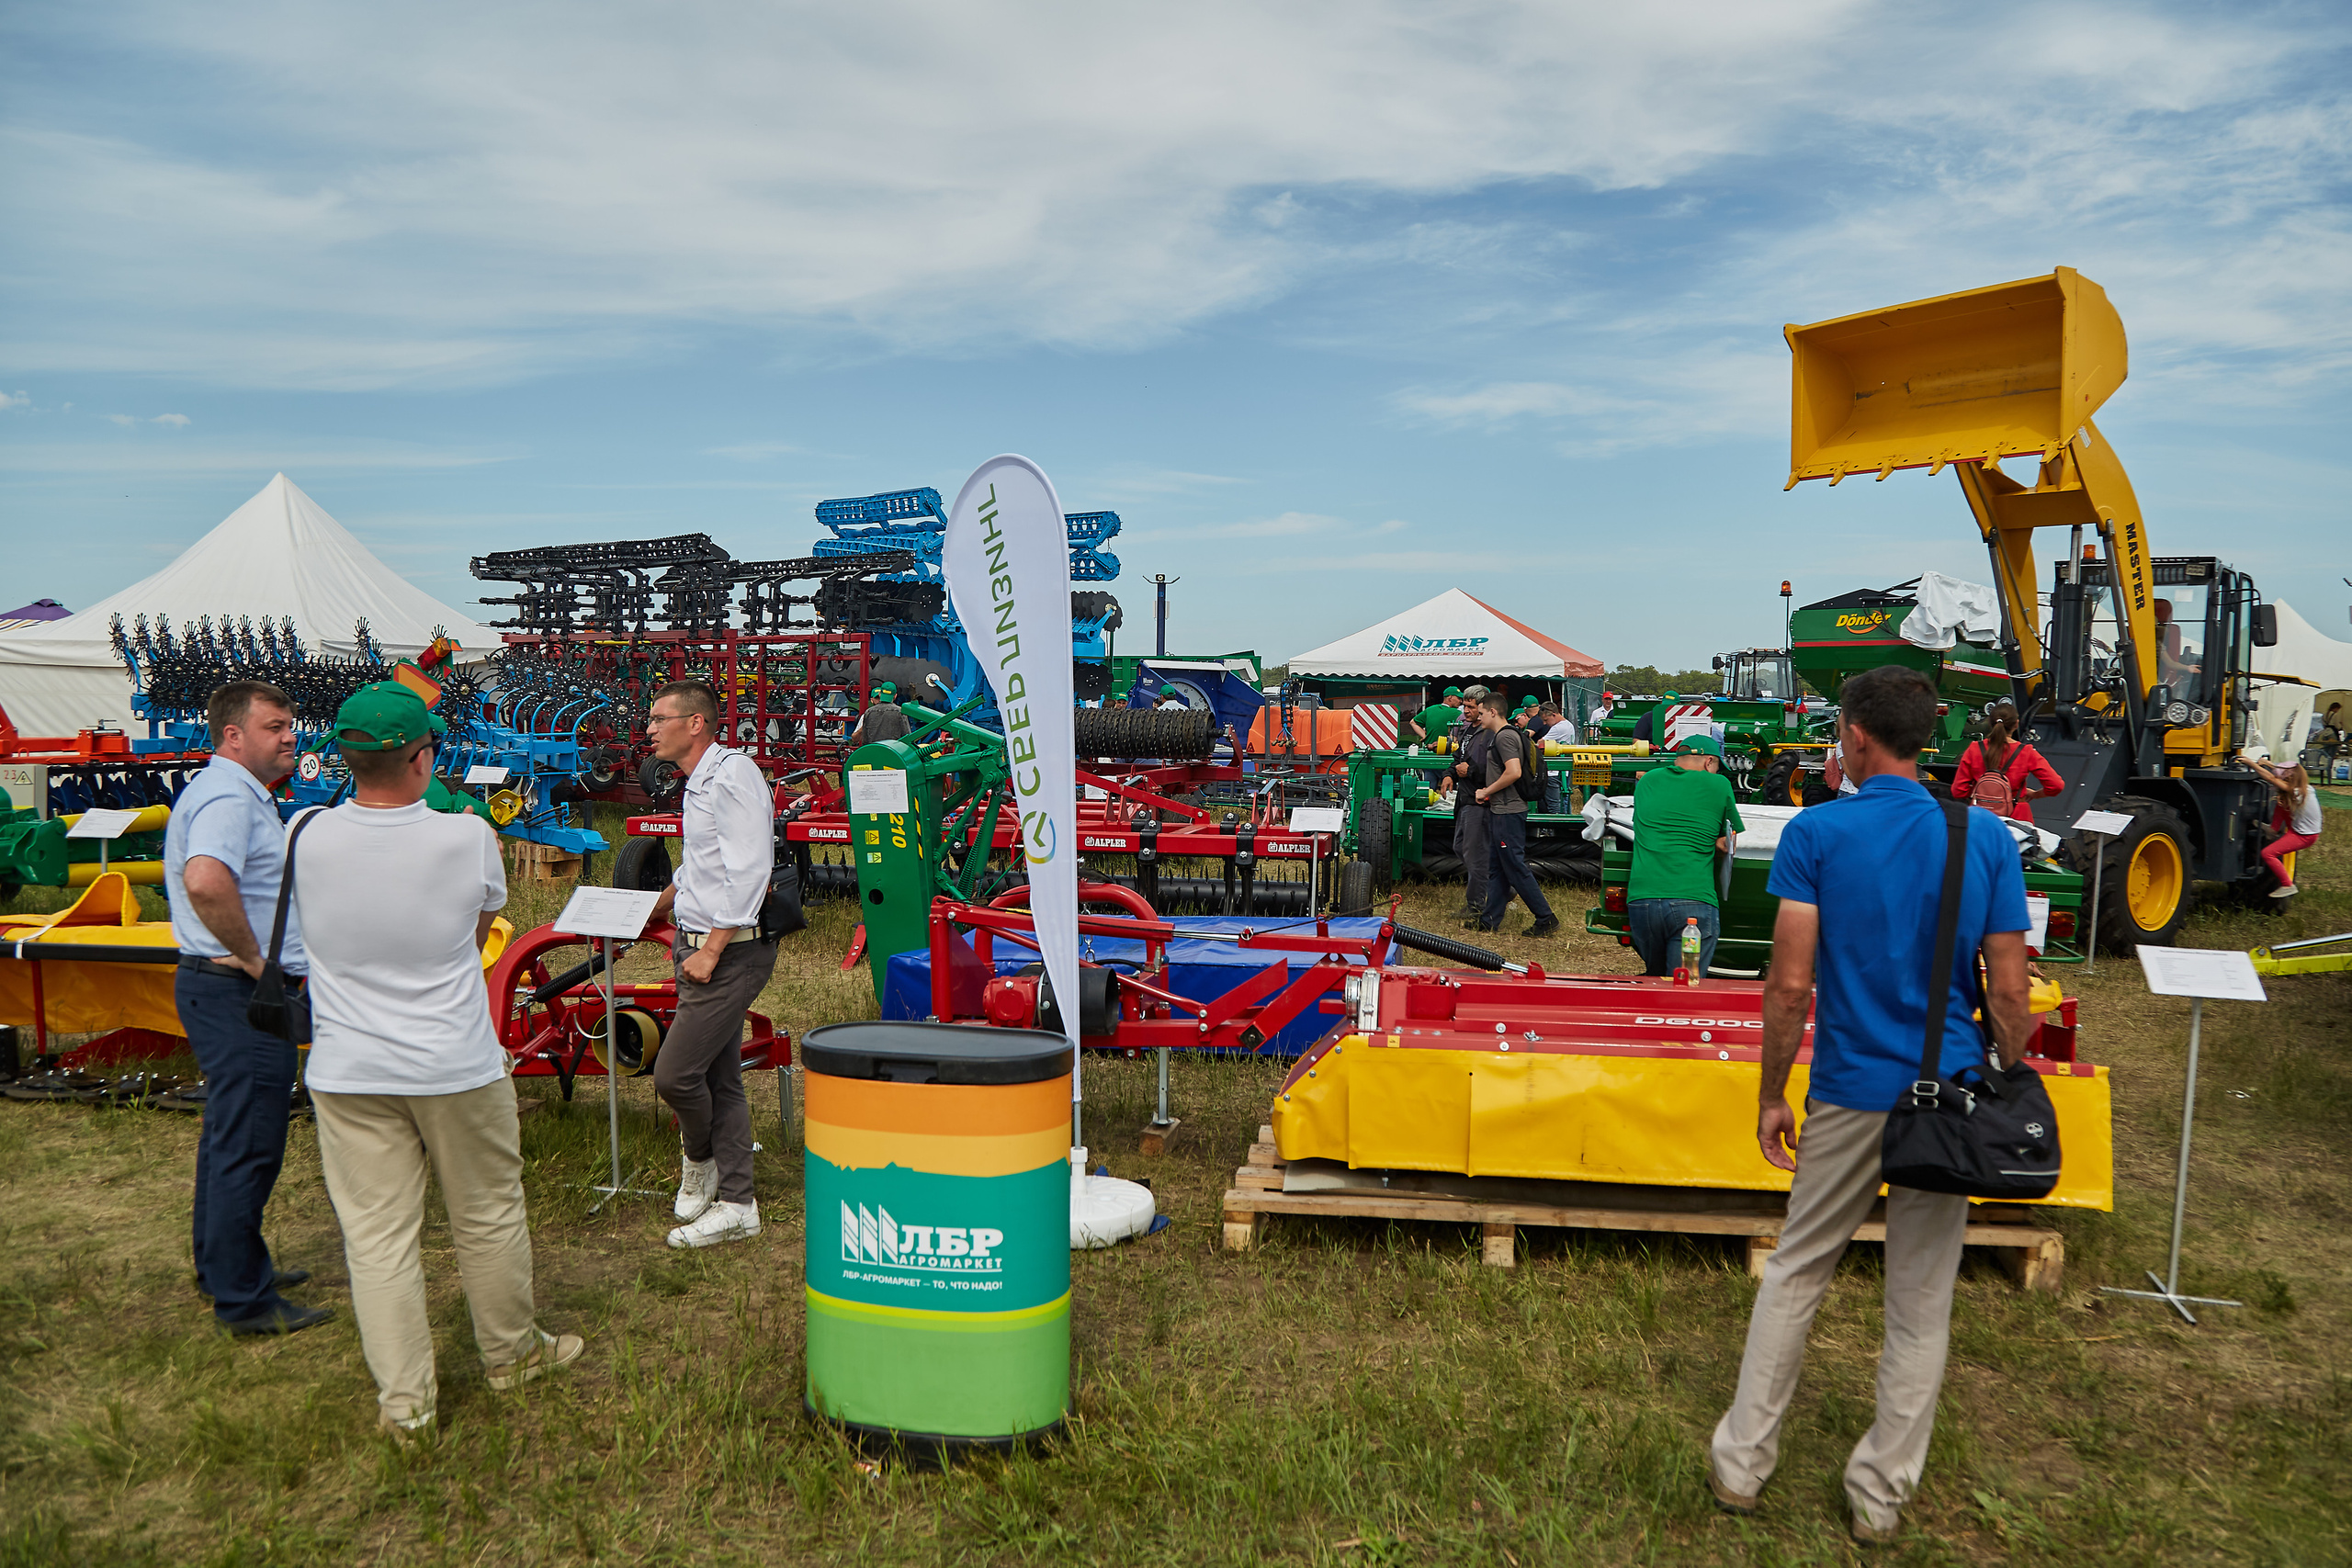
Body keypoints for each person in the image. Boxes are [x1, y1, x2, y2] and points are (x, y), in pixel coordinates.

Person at [1710, 665, 2033, 1546]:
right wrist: (2009, 1074)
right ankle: (1879, 1496)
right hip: (1951, 1094)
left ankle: (1742, 1465)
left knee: (1798, 1272)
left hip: (1850, 1090)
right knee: (1921, 1301)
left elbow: (1787, 983)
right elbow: (2011, 993)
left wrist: (1774, 1091)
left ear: (1856, 734)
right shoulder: (1987, 839)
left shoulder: (1816, 833)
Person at [299, 682, 582, 1439]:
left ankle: (408, 1406)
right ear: (423, 757)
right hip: (454, 1061)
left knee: (378, 1237)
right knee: (486, 1213)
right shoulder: (467, 837)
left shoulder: (307, 834)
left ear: (346, 759)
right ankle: (512, 1354)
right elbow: (484, 921)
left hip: (349, 1068)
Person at [163, 681, 331, 1337]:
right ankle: (246, 1300)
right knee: (251, 1141)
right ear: (233, 735)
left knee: (230, 1132)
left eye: (290, 723)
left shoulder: (233, 794)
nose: (291, 735)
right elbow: (206, 879)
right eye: (275, 725)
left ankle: (224, 1264)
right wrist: (260, 963)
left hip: (225, 987)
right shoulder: (230, 797)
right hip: (240, 992)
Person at [645, 679, 780, 1248]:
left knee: (674, 1074)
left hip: (731, 953)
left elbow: (752, 870)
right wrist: (652, 906)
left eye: (659, 718)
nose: (649, 729)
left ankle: (700, 1158)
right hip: (698, 944)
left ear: (694, 723)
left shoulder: (733, 776)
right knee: (719, 1075)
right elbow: (704, 866)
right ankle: (738, 1204)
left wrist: (711, 948)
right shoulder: (697, 782)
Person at [1626, 735, 1744, 976]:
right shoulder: (1719, 784)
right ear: (1708, 761)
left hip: (1642, 902)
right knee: (1683, 985)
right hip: (1693, 902)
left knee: (1655, 978)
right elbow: (1727, 843)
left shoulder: (1648, 780)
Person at [1465, 694, 1558, 935]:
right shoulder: (1506, 735)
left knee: (1515, 867)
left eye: (1482, 712)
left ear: (1493, 712)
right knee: (1497, 867)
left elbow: (1514, 772)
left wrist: (1486, 790)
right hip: (1502, 810)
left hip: (1508, 811)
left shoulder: (1504, 736)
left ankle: (1545, 917)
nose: (1480, 716)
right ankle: (1489, 920)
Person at [1950, 703, 2064, 822]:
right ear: (2016, 724)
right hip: (2017, 816)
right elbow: (2056, 785)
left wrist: (1983, 794)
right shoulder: (2026, 752)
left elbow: (1958, 791)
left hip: (1980, 816)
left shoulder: (1974, 748)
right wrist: (2035, 794)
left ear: (1990, 723)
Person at [2247, 751, 2322, 897]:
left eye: (2284, 774)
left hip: (2304, 836)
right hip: (2299, 829)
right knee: (2281, 802)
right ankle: (2273, 830)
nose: (2280, 775)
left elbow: (2271, 778)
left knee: (2268, 853)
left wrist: (2250, 764)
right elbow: (2275, 774)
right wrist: (2268, 764)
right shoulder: (2307, 789)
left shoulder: (2296, 793)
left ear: (2291, 778)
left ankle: (2288, 885)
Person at [1450, 684, 1496, 918]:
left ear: (1483, 707)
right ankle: (1500, 888)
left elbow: (1496, 769)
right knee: (1460, 847)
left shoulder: (1491, 733)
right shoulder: (1468, 730)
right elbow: (1459, 756)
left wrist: (1471, 771)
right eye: (1464, 705)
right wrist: (1450, 774)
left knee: (1474, 852)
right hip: (1465, 797)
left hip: (1479, 799)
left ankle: (1476, 905)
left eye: (1470, 707)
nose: (1465, 711)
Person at [1536, 701, 1577, 814]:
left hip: (1553, 772)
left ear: (1553, 715)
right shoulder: (1569, 725)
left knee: (1554, 806)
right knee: (1564, 801)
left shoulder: (1558, 728)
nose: (1545, 724)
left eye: (1546, 720)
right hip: (1564, 771)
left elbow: (1540, 743)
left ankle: (1554, 829)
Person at [848, 682, 910, 748]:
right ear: (895, 696)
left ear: (880, 694)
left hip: (874, 752)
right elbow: (907, 737)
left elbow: (865, 741)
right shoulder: (900, 712)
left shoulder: (869, 712)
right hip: (893, 753)